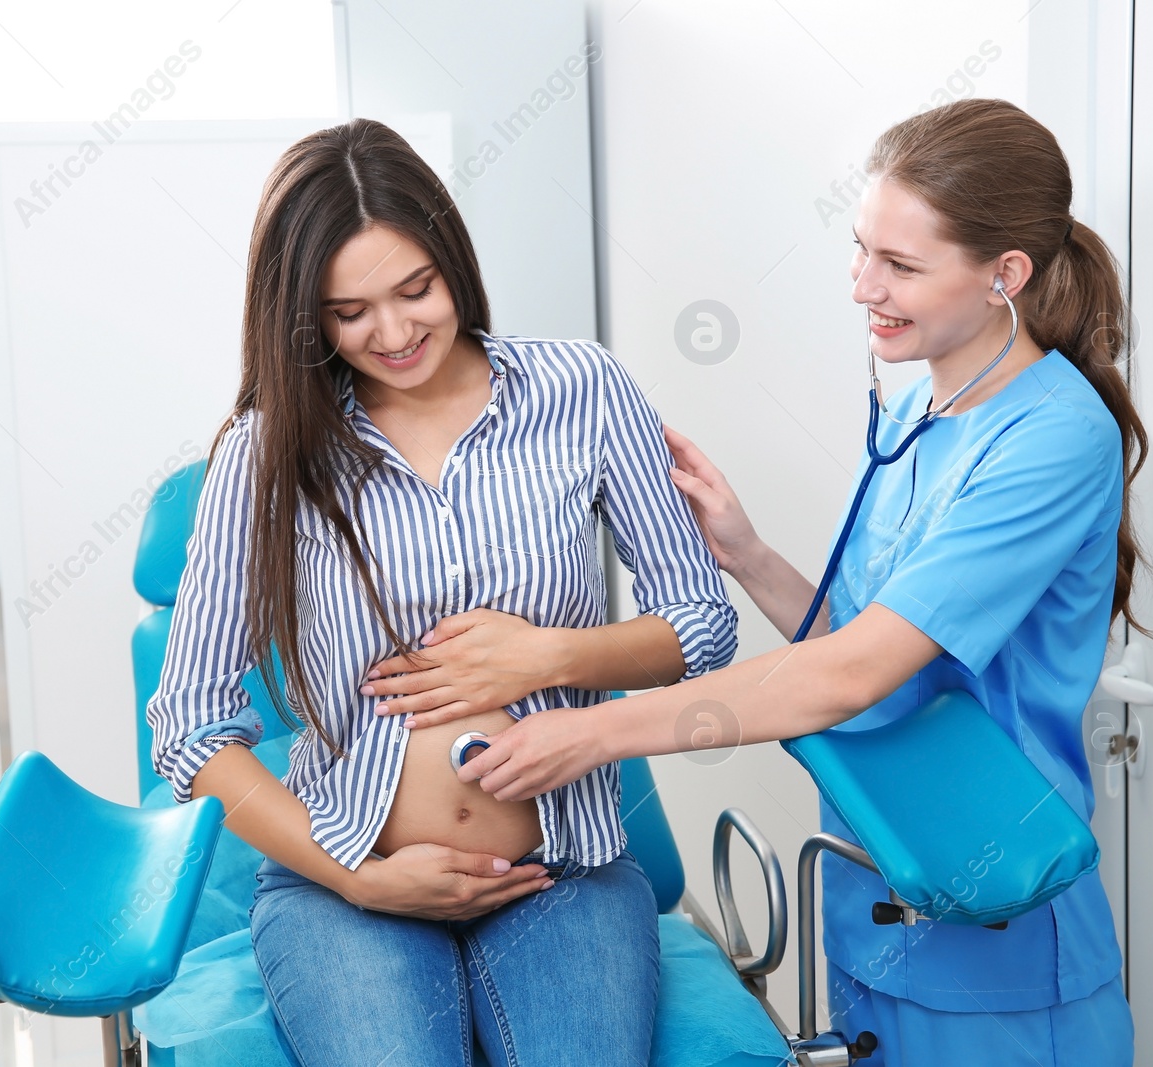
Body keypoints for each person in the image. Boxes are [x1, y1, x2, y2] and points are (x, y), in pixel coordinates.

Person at [445, 99, 1142, 1065]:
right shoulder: (923, 403)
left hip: (996, 950)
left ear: (1004, 276)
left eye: (900, 266)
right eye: (861, 251)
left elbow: (851, 675)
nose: (863, 287)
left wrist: (588, 731)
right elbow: (868, 638)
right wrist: (746, 551)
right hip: (874, 906)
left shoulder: (1053, 437)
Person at [144, 118, 736, 1066]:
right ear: (306, 316)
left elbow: (704, 626)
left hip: (563, 872)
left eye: (415, 289)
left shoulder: (584, 389)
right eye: (349, 312)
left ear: (451, 258)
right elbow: (189, 726)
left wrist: (553, 653)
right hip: (352, 878)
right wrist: (360, 879)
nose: (393, 332)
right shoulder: (269, 453)